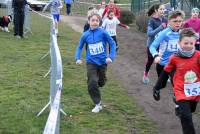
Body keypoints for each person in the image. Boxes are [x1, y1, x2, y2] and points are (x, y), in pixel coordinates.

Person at [152, 28, 200, 134]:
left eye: (191, 43)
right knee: (186, 117)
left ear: (195, 43)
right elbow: (165, 72)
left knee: (190, 110)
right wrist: (157, 87)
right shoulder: (174, 58)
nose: (188, 45)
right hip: (180, 90)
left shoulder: (198, 55)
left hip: (195, 90)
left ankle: (179, 108)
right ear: (179, 43)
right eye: (185, 43)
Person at [75, 12, 116, 113]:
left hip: (102, 62)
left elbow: (112, 43)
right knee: (92, 83)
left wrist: (111, 57)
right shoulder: (85, 35)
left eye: (97, 21)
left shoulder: (103, 32)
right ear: (88, 22)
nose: (95, 22)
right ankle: (98, 103)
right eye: (92, 20)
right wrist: (77, 58)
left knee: (101, 82)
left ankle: (101, 79)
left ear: (99, 22)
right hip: (91, 62)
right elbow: (79, 47)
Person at [149, 10, 185, 78]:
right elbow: (152, 46)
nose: (178, 23)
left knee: (177, 85)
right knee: (161, 85)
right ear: (169, 22)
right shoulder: (164, 33)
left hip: (176, 64)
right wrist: (156, 56)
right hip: (163, 64)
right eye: (175, 21)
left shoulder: (182, 33)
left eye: (180, 21)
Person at [142, 4, 167, 84]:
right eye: (161, 9)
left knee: (163, 60)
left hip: (162, 45)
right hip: (152, 45)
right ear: (156, 10)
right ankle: (145, 74)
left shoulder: (165, 19)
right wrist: (160, 27)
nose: (163, 11)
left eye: (164, 9)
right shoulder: (152, 20)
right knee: (150, 61)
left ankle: (164, 76)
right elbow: (149, 33)